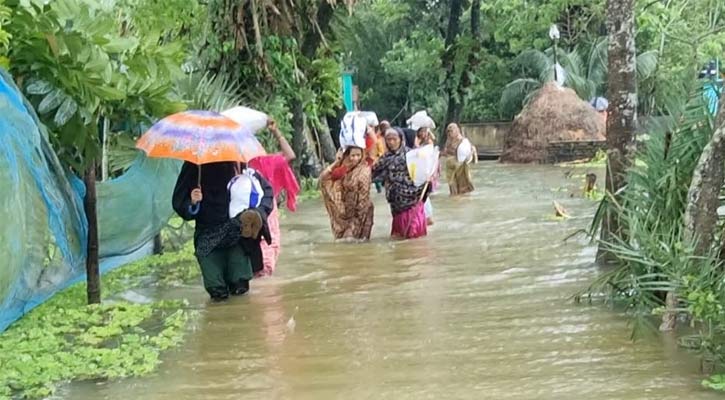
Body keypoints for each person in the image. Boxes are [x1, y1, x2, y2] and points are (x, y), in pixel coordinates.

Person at [172, 161, 274, 301]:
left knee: (240, 287)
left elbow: (266, 192)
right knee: (217, 291)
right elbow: (179, 201)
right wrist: (193, 203)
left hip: (236, 233)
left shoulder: (237, 160)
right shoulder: (195, 164)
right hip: (207, 236)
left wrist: (257, 213)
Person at [247, 119, 299, 277]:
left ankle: (262, 278)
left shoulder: (267, 162)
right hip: (249, 210)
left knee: (268, 242)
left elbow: (290, 155)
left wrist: (276, 132)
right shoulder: (238, 164)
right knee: (261, 243)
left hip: (266, 209)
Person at [372, 128, 428, 239]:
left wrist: (428, 178)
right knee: (400, 236)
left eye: (394, 139)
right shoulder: (384, 159)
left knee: (415, 237)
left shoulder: (412, 155)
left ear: (401, 139)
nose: (391, 142)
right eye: (388, 139)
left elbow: (423, 173)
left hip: (413, 201)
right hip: (397, 204)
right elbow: (372, 175)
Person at [320, 145, 374, 241]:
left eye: (358, 155)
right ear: (347, 155)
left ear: (362, 155)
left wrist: (356, 221)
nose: (355, 158)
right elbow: (324, 179)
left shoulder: (364, 170)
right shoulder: (344, 170)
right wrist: (337, 162)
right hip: (345, 213)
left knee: (356, 242)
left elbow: (363, 198)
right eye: (352, 155)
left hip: (361, 213)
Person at [441, 123, 475, 196]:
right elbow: (445, 151)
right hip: (450, 167)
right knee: (452, 186)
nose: (450, 133)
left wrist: (471, 155)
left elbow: (470, 151)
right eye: (448, 131)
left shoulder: (462, 141)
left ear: (457, 130)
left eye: (451, 131)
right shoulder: (449, 140)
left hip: (460, 166)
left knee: (463, 186)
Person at [416, 127, 439, 226]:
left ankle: (427, 217)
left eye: (424, 132)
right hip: (420, 169)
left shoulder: (429, 141)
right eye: (421, 132)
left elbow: (430, 154)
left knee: (425, 193)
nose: (423, 134)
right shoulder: (417, 140)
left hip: (427, 168)